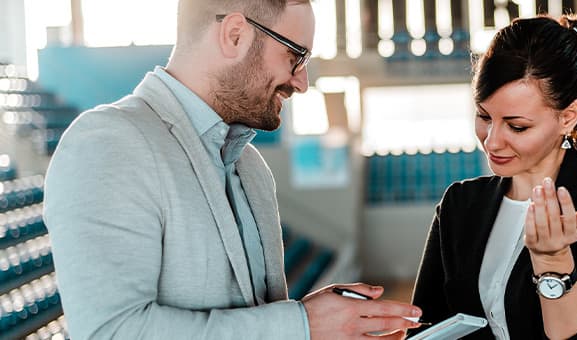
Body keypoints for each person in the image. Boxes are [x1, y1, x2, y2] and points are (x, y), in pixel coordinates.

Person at [43, 0, 421, 339]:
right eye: (295, 57)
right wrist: (302, 324)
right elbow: (111, 332)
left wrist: (319, 321)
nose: (301, 83)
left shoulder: (250, 167)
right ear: (235, 34)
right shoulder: (108, 141)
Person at [410, 15, 577, 340]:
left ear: (567, 117)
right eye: (484, 116)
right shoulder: (459, 205)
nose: (492, 141)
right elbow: (425, 328)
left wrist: (554, 263)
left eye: (517, 126)